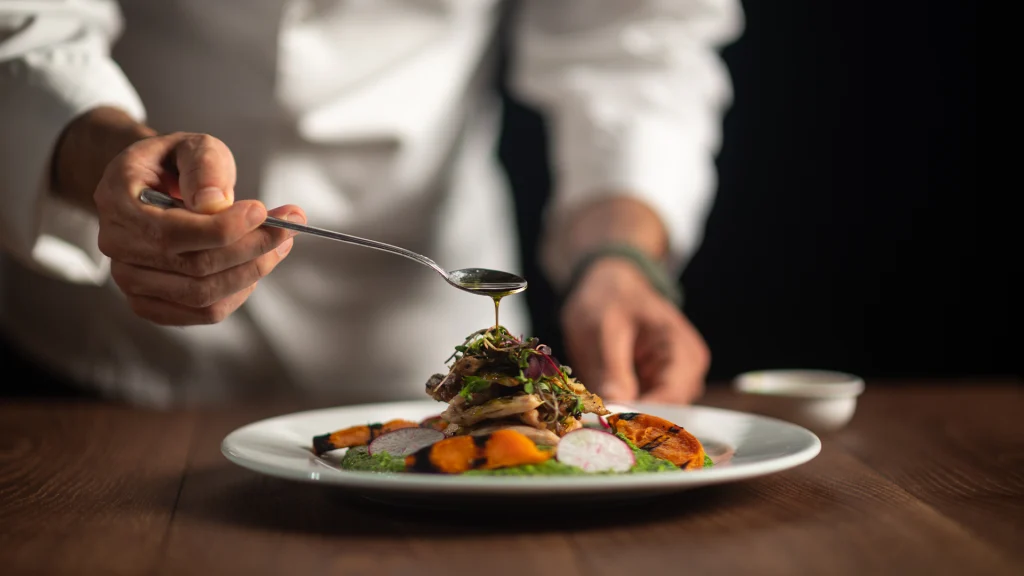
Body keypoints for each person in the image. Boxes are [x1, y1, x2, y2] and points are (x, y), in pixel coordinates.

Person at [0, 1, 743, 408]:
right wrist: (110, 161)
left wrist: (617, 259)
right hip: (103, 352)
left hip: (412, 344)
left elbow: (632, 47)